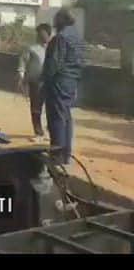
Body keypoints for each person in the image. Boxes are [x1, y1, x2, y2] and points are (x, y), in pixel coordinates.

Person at [41, 9, 85, 166]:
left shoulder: (61, 38)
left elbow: (54, 64)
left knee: (56, 118)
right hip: (72, 81)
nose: (53, 23)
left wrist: (44, 81)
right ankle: (66, 155)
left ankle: (57, 155)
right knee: (66, 117)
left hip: (59, 82)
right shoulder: (78, 38)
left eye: (56, 20)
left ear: (61, 21)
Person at [17, 24, 51, 137]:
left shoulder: (52, 49)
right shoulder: (31, 49)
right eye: (39, 33)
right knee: (36, 107)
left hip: (49, 82)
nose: (41, 36)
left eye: (44, 33)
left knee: (48, 107)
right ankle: (38, 131)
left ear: (48, 34)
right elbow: (23, 62)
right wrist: (21, 77)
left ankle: (48, 130)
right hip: (35, 82)